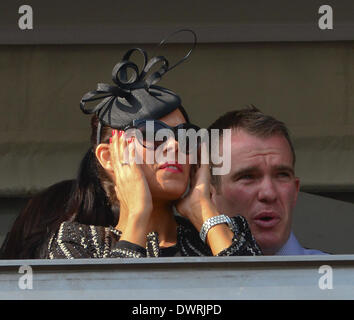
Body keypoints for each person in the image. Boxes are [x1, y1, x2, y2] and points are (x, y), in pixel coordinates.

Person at [40, 31, 262, 259]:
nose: (175, 145)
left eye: (185, 135)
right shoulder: (77, 242)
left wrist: (204, 210)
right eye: (153, 133)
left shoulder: (228, 235)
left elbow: (259, 292)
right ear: (108, 157)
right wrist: (137, 216)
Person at [208, 106, 328, 255]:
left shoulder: (338, 277)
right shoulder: (182, 277)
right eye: (248, 177)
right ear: (209, 194)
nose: (269, 193)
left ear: (295, 191)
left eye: (282, 175)